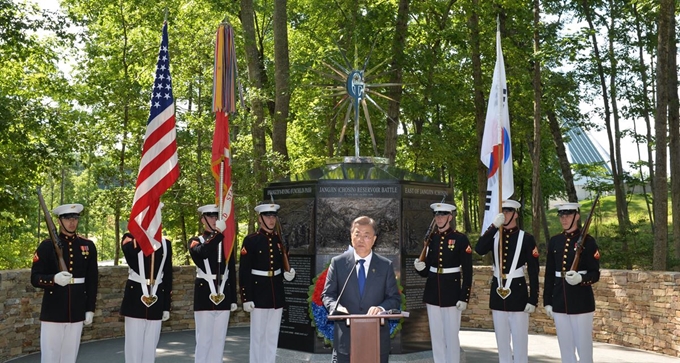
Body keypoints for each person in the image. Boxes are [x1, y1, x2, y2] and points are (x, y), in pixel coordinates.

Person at [322, 216, 401, 363]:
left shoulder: (385, 266)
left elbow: (394, 298)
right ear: (351, 236)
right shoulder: (338, 263)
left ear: (374, 239)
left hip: (376, 340)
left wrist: (380, 308)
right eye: (357, 234)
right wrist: (337, 307)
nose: (361, 239)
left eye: (366, 235)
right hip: (345, 339)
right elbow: (328, 294)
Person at [31, 203, 98, 363]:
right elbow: (35, 278)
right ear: (59, 221)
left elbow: (92, 280)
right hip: (53, 309)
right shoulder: (47, 246)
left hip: (77, 307)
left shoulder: (87, 246)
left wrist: (90, 308)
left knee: (70, 356)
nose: (72, 222)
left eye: (75, 218)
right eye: (67, 218)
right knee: (50, 355)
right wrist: (53, 279)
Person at [475, 199, 540, 363]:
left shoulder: (526, 238)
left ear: (516, 214)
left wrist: (533, 299)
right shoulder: (495, 235)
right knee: (502, 342)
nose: (505, 214)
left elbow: (533, 270)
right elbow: (479, 249)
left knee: (519, 343)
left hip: (518, 293)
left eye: (508, 211)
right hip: (498, 292)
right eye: (502, 211)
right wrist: (492, 227)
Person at [413, 203, 473, 363]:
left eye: (442, 215)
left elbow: (468, 271)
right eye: (437, 215)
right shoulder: (432, 238)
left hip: (452, 292)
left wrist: (464, 296)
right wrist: (420, 267)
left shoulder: (460, 239)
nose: (439, 218)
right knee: (436, 335)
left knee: (451, 335)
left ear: (450, 217)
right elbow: (427, 271)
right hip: (433, 291)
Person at [543, 202, 601, 363]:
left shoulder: (588, 241)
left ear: (577, 216)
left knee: (584, 347)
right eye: (561, 215)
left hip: (581, 300)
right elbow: (549, 273)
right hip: (559, 299)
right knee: (565, 347)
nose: (564, 219)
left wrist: (581, 279)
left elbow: (595, 273)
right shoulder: (555, 241)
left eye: (568, 215)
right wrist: (547, 301)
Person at [239, 203, 296, 363]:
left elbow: (283, 263)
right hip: (258, 292)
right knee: (258, 335)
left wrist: (288, 273)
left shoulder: (280, 240)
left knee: (272, 335)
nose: (271, 220)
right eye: (267, 216)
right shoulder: (251, 240)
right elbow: (244, 271)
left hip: (276, 292)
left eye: (273, 216)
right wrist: (246, 297)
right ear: (260, 218)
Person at [189, 204, 237, 363]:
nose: (215, 219)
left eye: (216, 216)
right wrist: (218, 234)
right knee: (204, 340)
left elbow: (230, 270)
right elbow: (202, 252)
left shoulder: (226, 242)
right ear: (203, 219)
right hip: (205, 294)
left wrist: (233, 299)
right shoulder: (196, 241)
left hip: (223, 292)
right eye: (210, 216)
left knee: (219, 341)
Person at [120, 231, 173, 363]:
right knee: (134, 347)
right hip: (135, 298)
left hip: (157, 297)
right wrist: (144, 235)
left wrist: (166, 306)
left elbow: (167, 276)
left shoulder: (165, 243)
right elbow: (130, 255)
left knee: (151, 347)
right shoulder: (130, 239)